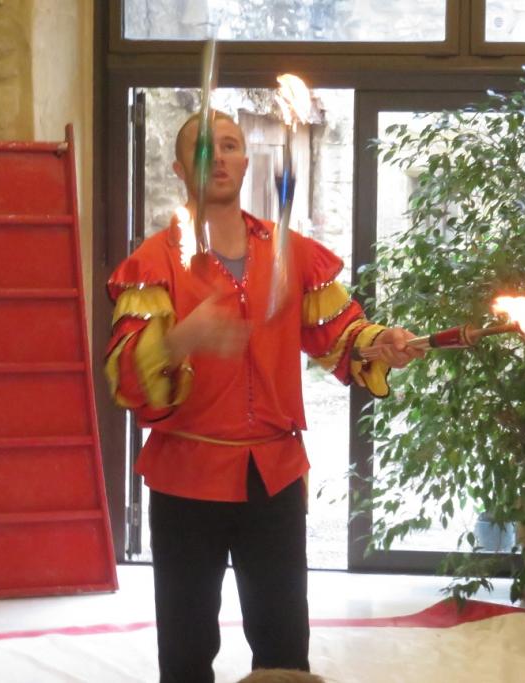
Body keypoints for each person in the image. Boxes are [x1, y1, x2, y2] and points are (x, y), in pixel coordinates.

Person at [104, 109, 423, 683]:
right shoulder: (154, 263)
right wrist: (179, 339)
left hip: (273, 477)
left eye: (230, 145)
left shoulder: (290, 252)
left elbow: (339, 333)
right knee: (185, 652)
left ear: (247, 160)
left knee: (283, 648)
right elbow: (126, 379)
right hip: (186, 478)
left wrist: (378, 343)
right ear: (180, 168)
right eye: (204, 148)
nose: (219, 157)